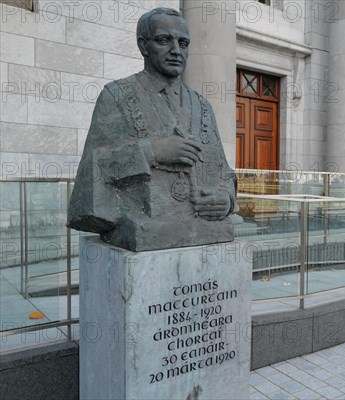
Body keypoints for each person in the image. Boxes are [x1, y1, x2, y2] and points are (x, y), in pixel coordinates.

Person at [67, 8, 236, 251]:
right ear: (144, 46)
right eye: (164, 40)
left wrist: (226, 200)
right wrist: (153, 151)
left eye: (183, 42)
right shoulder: (115, 95)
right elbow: (94, 167)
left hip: (199, 222)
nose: (176, 50)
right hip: (142, 223)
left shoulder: (202, 106)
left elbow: (223, 171)